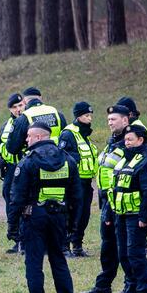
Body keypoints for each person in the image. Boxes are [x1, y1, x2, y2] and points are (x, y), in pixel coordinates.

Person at [10, 121, 81, 293]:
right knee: (58, 259)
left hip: (33, 217)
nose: (26, 139)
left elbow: (17, 198)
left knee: (34, 263)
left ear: (39, 137)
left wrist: (12, 226)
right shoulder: (67, 160)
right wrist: (73, 224)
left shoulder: (28, 162)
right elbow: (77, 196)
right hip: (59, 217)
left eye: (29, 136)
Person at [81, 105, 131, 293]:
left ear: (125, 120)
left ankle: (130, 285)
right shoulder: (113, 142)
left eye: (114, 119)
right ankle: (104, 285)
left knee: (122, 244)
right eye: (109, 120)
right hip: (106, 201)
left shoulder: (128, 142)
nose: (110, 123)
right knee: (107, 244)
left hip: (118, 201)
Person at [107, 124, 147, 293]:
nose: (126, 143)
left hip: (135, 216)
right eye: (125, 140)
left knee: (135, 253)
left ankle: (144, 292)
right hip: (120, 214)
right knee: (123, 254)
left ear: (141, 140)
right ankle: (131, 289)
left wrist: (144, 218)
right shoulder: (125, 159)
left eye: (130, 140)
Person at [59, 101, 98, 257]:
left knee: (84, 215)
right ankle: (65, 247)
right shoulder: (69, 133)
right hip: (74, 183)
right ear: (78, 116)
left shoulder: (85, 135)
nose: (89, 119)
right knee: (71, 214)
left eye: (90, 115)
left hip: (87, 182)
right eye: (86, 116)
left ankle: (78, 246)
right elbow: (62, 156)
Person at [0, 93, 26, 254]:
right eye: (14, 107)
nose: (18, 109)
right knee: (10, 202)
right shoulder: (6, 125)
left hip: (26, 169)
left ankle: (26, 238)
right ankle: (16, 239)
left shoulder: (29, 123)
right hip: (10, 170)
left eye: (20, 105)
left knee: (25, 203)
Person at [5, 87, 68, 161]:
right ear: (40, 98)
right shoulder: (57, 113)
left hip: (35, 162)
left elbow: (12, 148)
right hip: (58, 159)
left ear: (25, 101)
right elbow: (66, 138)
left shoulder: (23, 118)